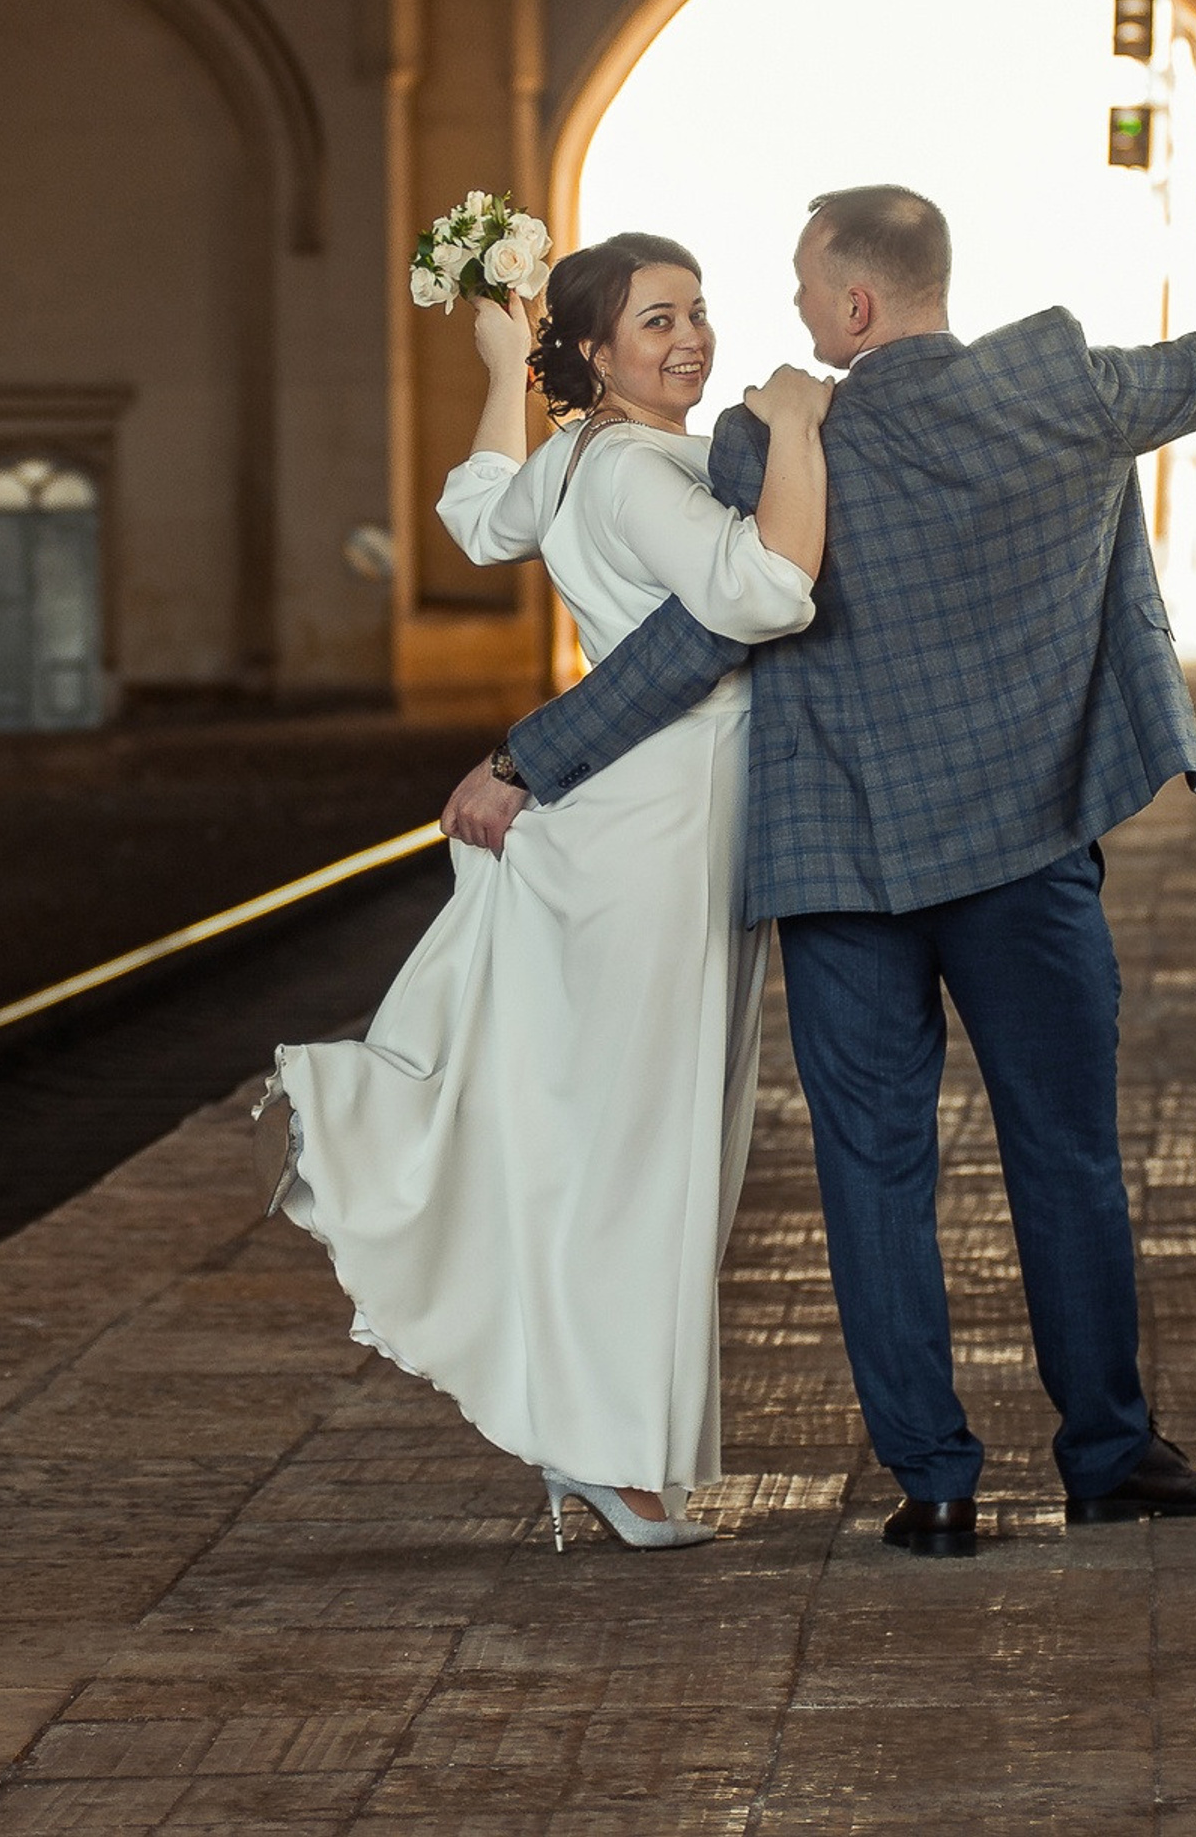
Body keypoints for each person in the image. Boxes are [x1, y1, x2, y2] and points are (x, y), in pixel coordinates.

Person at [445, 110, 1196, 1556]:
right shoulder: (1069, 389)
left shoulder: (765, 446)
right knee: (1066, 1156)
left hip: (844, 868)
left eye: (794, 292)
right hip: (1029, 851)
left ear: (854, 306)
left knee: (876, 1173)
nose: (776, 322)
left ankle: (936, 1482)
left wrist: (529, 760)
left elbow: (691, 643)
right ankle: (1108, 1455)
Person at [259, 234, 833, 1553]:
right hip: (665, 819)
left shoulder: (572, 459)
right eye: (655, 322)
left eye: (696, 312)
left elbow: (473, 512)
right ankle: (618, 1460)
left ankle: (606, 1442)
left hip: (611, 821)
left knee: (614, 1138)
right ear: (592, 353)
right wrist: (798, 424)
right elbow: (764, 591)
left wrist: (486, 375)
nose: (689, 339)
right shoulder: (636, 472)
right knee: (655, 1148)